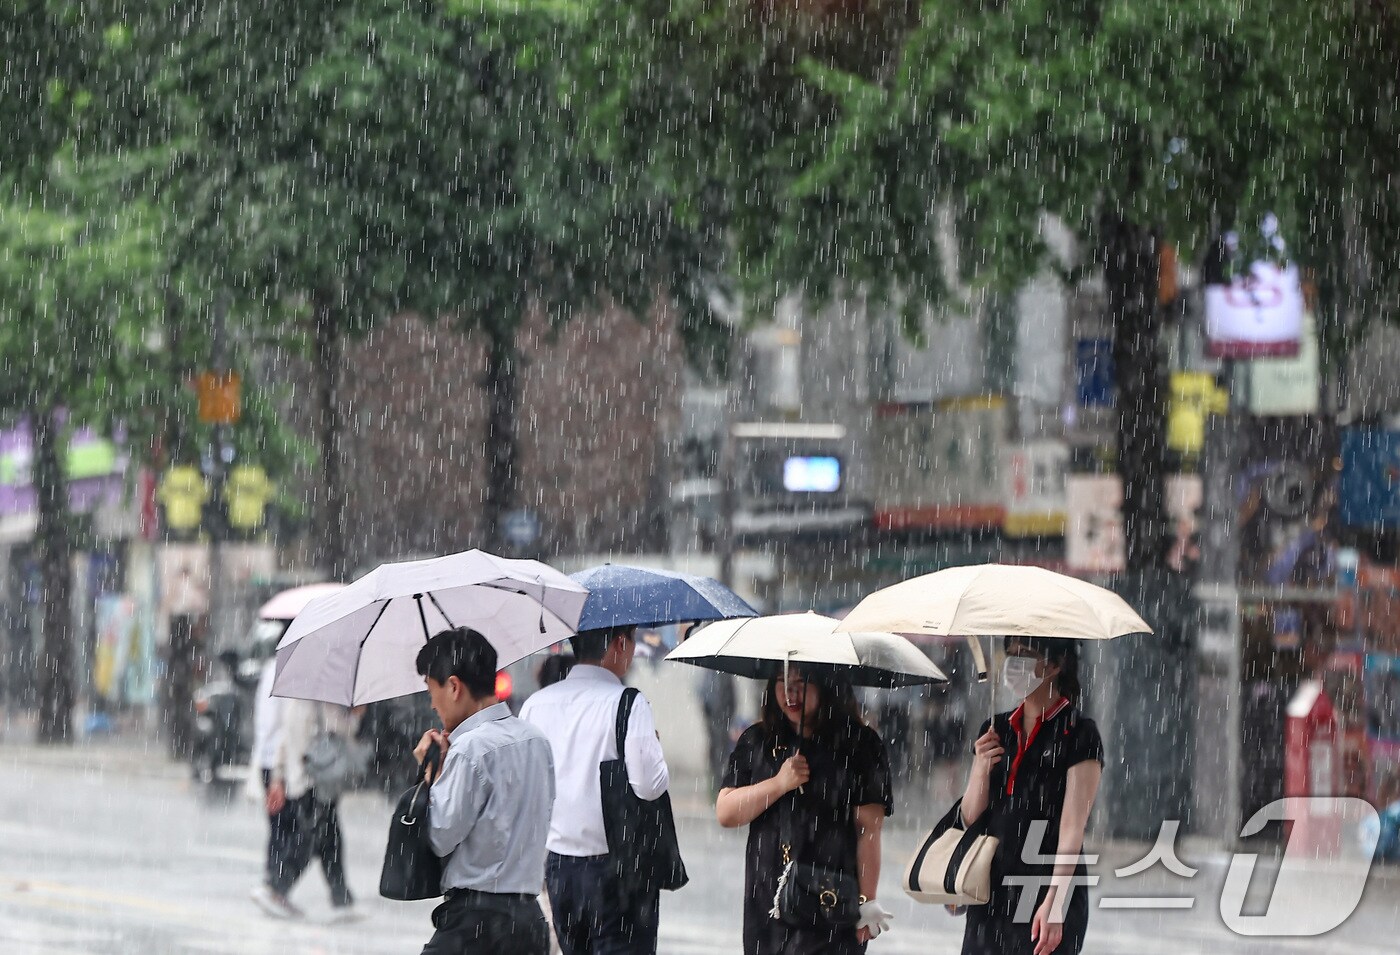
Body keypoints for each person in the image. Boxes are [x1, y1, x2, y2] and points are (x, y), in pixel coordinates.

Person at [716, 667, 894, 954]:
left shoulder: (860, 745)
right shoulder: (758, 741)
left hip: (831, 900)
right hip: (768, 903)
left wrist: (866, 900)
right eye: (782, 681)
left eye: (802, 682)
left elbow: (868, 830)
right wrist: (779, 784)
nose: (790, 692)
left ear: (827, 685)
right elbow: (726, 812)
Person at [520, 625, 671, 954]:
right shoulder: (628, 703)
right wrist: (655, 751)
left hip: (560, 871)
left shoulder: (535, 705)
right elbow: (649, 786)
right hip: (619, 868)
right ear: (619, 643)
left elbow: (528, 789)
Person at [413, 627, 555, 954]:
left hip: (475, 923)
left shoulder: (470, 749)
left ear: (453, 687)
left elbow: (440, 836)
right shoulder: (536, 740)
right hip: (528, 919)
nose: (432, 704)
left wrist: (431, 777)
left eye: (431, 690)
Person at [957, 637, 1103, 955]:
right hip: (992, 886)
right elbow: (970, 816)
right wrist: (980, 767)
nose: (1013, 663)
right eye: (1010, 653)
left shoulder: (1079, 732)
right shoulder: (995, 729)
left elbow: (1072, 827)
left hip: (1045, 883)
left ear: (1055, 665)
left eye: (1024, 654)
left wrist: (1056, 901)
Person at [263, 697, 362, 921]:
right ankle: (276, 889)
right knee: (310, 840)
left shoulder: (295, 701)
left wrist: (278, 777)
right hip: (317, 781)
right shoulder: (324, 701)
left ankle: (341, 899)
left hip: (300, 780)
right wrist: (356, 716)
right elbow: (342, 729)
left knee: (330, 840)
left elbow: (285, 740)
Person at [248, 652, 301, 919]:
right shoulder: (283, 669)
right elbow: (274, 724)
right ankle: (272, 887)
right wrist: (276, 775)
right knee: (284, 828)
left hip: (275, 760)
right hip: (276, 761)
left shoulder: (276, 667)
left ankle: (275, 888)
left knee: (283, 828)